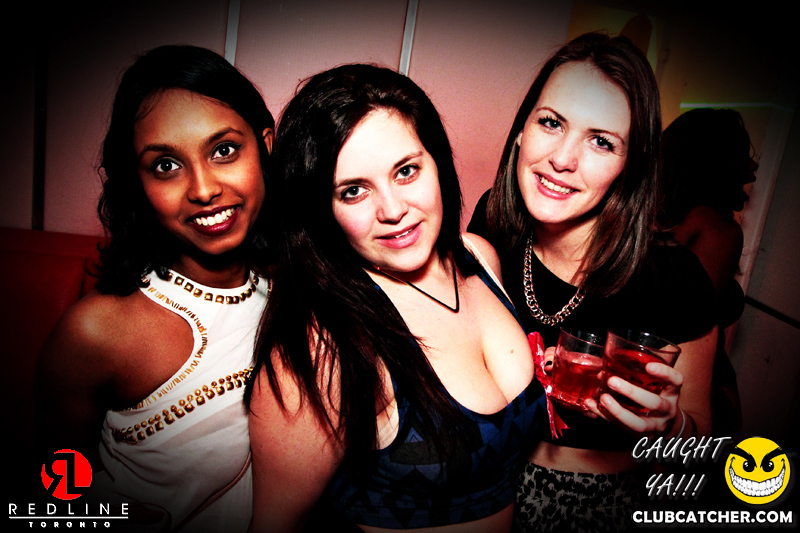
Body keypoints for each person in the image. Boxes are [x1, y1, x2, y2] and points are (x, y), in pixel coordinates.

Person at [246, 63, 548, 532]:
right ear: (321, 210)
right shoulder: (323, 346)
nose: (392, 210)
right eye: (353, 191)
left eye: (406, 171)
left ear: (437, 163)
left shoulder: (479, 257)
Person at [467, 33, 717, 531]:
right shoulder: (492, 224)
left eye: (601, 141)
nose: (563, 158)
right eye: (551, 122)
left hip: (602, 506)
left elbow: (703, 449)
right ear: (521, 131)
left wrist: (672, 426)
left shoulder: (673, 278)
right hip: (485, 485)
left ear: (630, 166)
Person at [35, 45, 275, 532]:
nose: (203, 189)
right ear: (136, 183)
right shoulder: (98, 331)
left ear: (265, 146)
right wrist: (109, 516)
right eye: (165, 165)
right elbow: (51, 494)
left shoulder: (302, 292)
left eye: (224, 150)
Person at [660, 108, 757, 438]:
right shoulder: (719, 230)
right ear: (717, 161)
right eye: (742, 153)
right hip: (688, 387)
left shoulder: (651, 215)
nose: (753, 166)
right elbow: (691, 323)